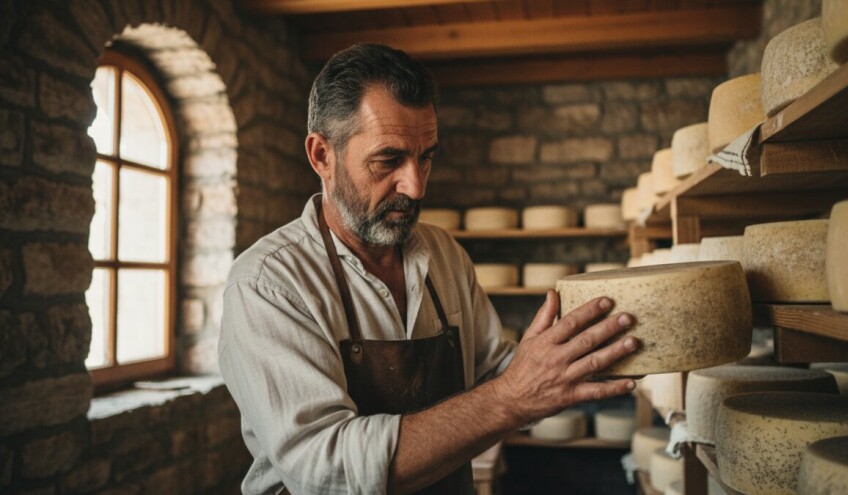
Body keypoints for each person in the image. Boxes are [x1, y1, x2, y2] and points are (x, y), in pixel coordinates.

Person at [218, 43, 639, 495]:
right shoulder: (269, 284)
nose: (415, 186)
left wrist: (570, 361)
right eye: (388, 160)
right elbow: (327, 468)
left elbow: (492, 374)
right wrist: (511, 397)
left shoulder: (443, 254)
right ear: (322, 155)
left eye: (426, 157)